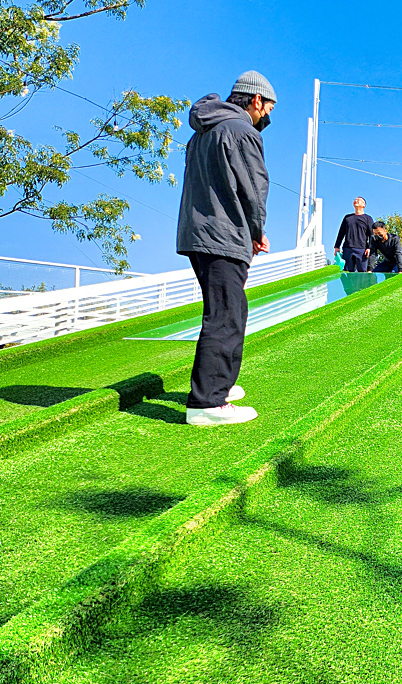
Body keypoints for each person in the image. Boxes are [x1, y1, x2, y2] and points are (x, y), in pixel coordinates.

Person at [176, 70, 275, 426]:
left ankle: (222, 384)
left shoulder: (201, 132)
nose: (267, 117)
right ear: (256, 100)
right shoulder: (241, 131)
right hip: (224, 235)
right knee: (226, 315)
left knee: (226, 309)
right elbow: (254, 189)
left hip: (197, 233)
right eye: (267, 108)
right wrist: (256, 230)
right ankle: (207, 403)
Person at [334, 197, 375, 272]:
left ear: (364, 205)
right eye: (355, 200)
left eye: (359, 200)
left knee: (362, 273)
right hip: (347, 249)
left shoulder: (368, 218)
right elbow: (341, 233)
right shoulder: (347, 218)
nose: (356, 201)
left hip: (361, 250)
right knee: (347, 272)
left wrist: (369, 248)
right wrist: (337, 246)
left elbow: (371, 235)